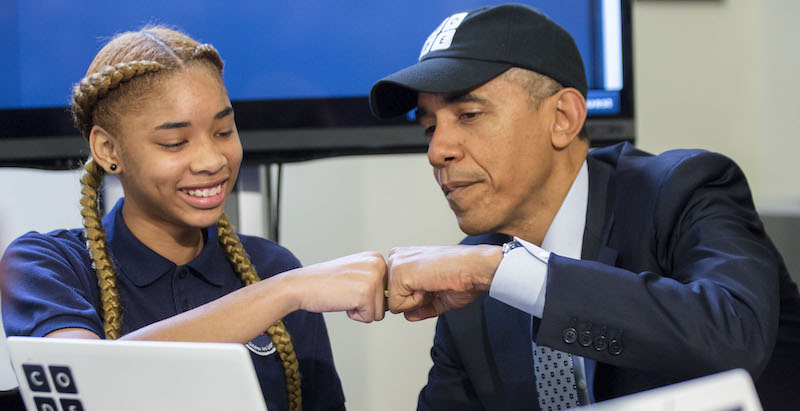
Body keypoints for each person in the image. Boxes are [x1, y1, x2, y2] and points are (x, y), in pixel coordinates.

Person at [370, 4, 800, 410]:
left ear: (563, 118)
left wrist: (504, 272)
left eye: (468, 115)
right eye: (429, 128)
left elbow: (735, 340)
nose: (437, 150)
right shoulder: (471, 289)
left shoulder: (684, 190)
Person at [0, 26, 390, 411]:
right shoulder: (45, 265)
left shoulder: (274, 267)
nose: (212, 161)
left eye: (223, 131)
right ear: (106, 148)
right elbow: (82, 379)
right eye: (175, 143)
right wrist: (284, 293)